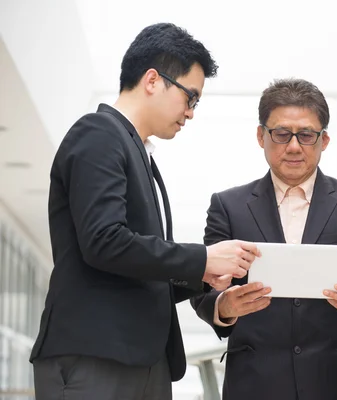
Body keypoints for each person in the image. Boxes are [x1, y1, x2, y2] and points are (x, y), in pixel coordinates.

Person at [30, 23, 260, 400]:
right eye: (190, 97)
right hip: (97, 356)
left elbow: (137, 266)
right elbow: (104, 242)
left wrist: (205, 276)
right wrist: (202, 258)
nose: (190, 113)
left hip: (140, 360)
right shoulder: (99, 133)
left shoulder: (136, 151)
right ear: (153, 80)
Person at [191, 78, 337, 400]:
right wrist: (225, 306)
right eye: (282, 134)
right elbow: (204, 291)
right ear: (261, 136)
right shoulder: (227, 206)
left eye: (306, 135)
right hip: (255, 383)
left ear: (324, 139)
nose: (294, 146)